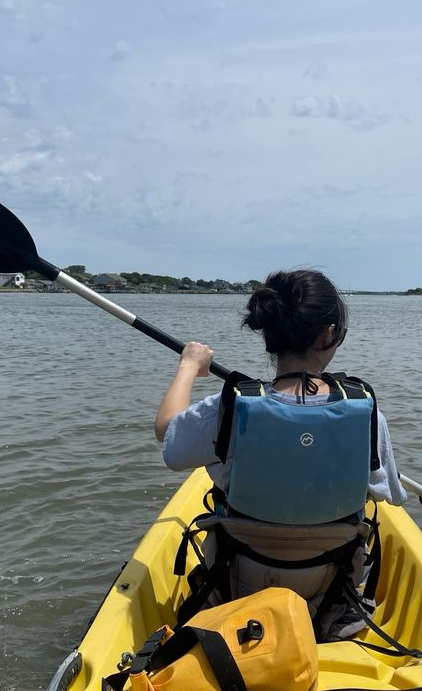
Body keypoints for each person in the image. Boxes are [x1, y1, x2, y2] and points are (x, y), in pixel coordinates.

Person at [154, 269, 407, 639]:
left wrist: (189, 366)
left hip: (239, 590)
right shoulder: (366, 413)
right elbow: (391, 495)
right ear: (329, 334)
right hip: (329, 597)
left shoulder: (228, 408)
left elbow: (167, 436)